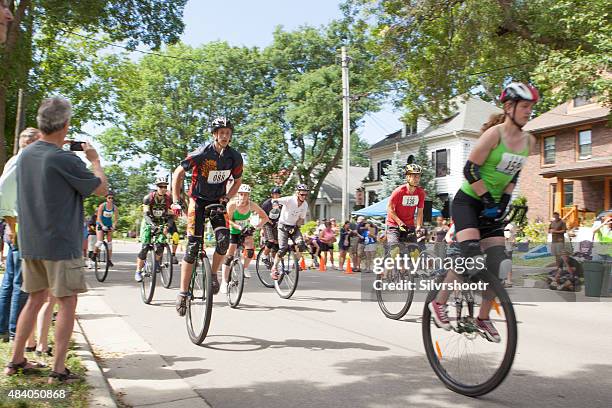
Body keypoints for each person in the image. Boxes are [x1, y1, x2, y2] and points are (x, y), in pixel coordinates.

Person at [6, 97, 107, 383]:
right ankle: (58, 369)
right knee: (67, 302)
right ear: (65, 125)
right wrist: (95, 161)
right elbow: (100, 189)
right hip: (61, 244)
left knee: (34, 299)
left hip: (30, 241)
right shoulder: (66, 159)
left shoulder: (25, 155)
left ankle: (15, 361)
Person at [429, 82, 538, 343]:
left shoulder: (528, 141)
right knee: (468, 254)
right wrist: (488, 198)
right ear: (509, 107)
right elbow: (470, 171)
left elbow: (514, 175)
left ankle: (483, 317)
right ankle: (439, 303)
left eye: (532, 107)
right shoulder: (495, 135)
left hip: (493, 206)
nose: (529, 112)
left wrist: (504, 202)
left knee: (499, 263)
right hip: (469, 201)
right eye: (525, 106)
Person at [172, 117, 243, 316]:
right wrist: (177, 200)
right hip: (198, 201)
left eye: (228, 133)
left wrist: (228, 196)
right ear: (214, 135)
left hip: (217, 201)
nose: (225, 136)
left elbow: (238, 180)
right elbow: (178, 172)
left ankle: (213, 274)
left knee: (223, 241)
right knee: (193, 247)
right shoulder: (202, 153)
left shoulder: (234, 157)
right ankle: (183, 292)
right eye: (221, 133)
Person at [0, 127, 41, 342]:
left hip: (14, 226)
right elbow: (4, 193)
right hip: (20, 227)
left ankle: (4, 329)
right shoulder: (24, 162)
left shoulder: (14, 161)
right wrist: (13, 223)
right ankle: (16, 331)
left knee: (9, 281)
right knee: (20, 282)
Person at [221, 184, 269, 293]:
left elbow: (265, 217)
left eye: (245, 195)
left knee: (251, 251)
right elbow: (227, 220)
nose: (243, 197)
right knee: (229, 256)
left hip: (245, 230)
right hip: (233, 230)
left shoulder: (252, 205)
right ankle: (224, 282)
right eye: (241, 194)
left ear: (248, 196)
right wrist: (237, 226)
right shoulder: (232, 205)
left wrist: (256, 227)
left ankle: (244, 267)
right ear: (238, 195)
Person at [134, 176, 175, 282]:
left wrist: (167, 226)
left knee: (160, 246)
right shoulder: (148, 198)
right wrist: (152, 225)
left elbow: (171, 216)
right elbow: (146, 215)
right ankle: (138, 271)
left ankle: (156, 263)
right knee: (145, 248)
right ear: (156, 187)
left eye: (165, 186)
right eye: (161, 186)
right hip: (149, 222)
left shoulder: (168, 199)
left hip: (161, 222)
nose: (163, 188)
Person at [270, 184, 310, 279]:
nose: (303, 197)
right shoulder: (290, 199)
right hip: (283, 226)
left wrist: (296, 226)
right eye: (302, 194)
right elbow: (275, 200)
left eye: (305, 195)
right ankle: (274, 268)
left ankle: (295, 263)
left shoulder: (305, 205)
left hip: (294, 227)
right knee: (283, 249)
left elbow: (301, 219)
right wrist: (275, 205)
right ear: (297, 193)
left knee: (301, 245)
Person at [385, 164, 426, 254]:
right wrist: (400, 223)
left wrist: (418, 226)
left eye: (418, 177)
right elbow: (389, 209)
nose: (417, 179)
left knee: (415, 252)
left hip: (409, 225)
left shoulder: (420, 193)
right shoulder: (399, 191)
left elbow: (420, 211)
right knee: (395, 251)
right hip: (394, 225)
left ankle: (407, 267)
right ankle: (389, 267)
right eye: (414, 176)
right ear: (408, 177)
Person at [260, 187, 282, 268]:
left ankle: (274, 261)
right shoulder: (267, 204)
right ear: (272, 195)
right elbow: (261, 214)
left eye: (277, 194)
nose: (276, 196)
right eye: (274, 194)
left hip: (277, 224)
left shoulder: (282, 203)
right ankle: (264, 256)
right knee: (271, 241)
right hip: (267, 223)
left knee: (277, 244)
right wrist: (264, 226)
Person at [95, 191, 118, 267]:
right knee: (99, 242)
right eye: (109, 198)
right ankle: (94, 254)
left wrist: (114, 225)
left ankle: (109, 260)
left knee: (110, 244)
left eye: (112, 198)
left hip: (109, 225)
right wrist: (102, 225)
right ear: (106, 198)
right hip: (100, 224)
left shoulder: (114, 207)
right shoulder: (102, 206)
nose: (111, 199)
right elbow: (98, 218)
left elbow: (115, 219)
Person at [503, 219, 517, 287]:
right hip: (509, 248)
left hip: (506, 248)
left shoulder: (507, 227)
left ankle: (508, 281)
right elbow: (514, 239)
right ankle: (509, 280)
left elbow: (506, 237)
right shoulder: (512, 225)